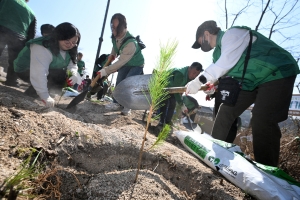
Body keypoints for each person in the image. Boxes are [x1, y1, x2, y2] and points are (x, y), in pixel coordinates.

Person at [186, 20, 299, 167]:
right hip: (250, 82)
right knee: (226, 110)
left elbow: (224, 62)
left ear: (206, 34)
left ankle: (267, 168)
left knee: (262, 118)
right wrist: (211, 86)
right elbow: (222, 77)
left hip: (276, 73)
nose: (201, 47)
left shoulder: (232, 35)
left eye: (200, 42)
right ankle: (214, 150)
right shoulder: (217, 54)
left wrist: (198, 81)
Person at [14, 22, 82, 107]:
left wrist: (73, 73)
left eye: (74, 42)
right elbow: (39, 72)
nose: (70, 45)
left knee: (61, 77)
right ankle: (32, 93)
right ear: (59, 36)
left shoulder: (72, 49)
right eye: (67, 40)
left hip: (48, 70)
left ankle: (46, 89)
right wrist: (44, 96)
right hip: (26, 70)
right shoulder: (43, 46)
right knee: (54, 75)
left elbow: (72, 65)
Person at [97, 13, 144, 115]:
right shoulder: (115, 37)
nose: (114, 30)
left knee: (129, 83)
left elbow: (120, 62)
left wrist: (105, 71)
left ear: (123, 27)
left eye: (117, 28)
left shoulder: (131, 43)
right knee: (119, 82)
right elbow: (115, 45)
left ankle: (127, 106)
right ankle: (116, 103)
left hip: (136, 64)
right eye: (113, 27)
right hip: (125, 62)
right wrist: (112, 55)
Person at [0, 0, 36, 87]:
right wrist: (27, 45)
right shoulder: (32, 13)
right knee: (14, 60)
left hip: (2, 27)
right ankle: (12, 81)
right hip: (20, 36)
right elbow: (32, 33)